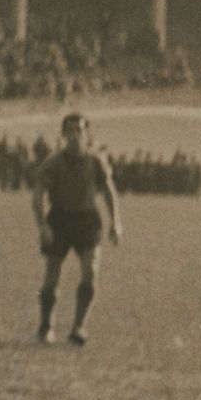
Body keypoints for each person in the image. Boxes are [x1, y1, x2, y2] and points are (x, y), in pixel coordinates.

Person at [31, 112, 121, 344]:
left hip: (87, 220)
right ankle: (45, 326)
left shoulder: (96, 161)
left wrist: (116, 222)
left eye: (79, 130)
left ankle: (79, 326)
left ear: (86, 133)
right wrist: (42, 226)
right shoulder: (53, 162)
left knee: (90, 271)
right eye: (69, 131)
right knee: (52, 274)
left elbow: (109, 190)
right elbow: (38, 194)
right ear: (63, 134)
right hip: (59, 219)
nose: (74, 135)